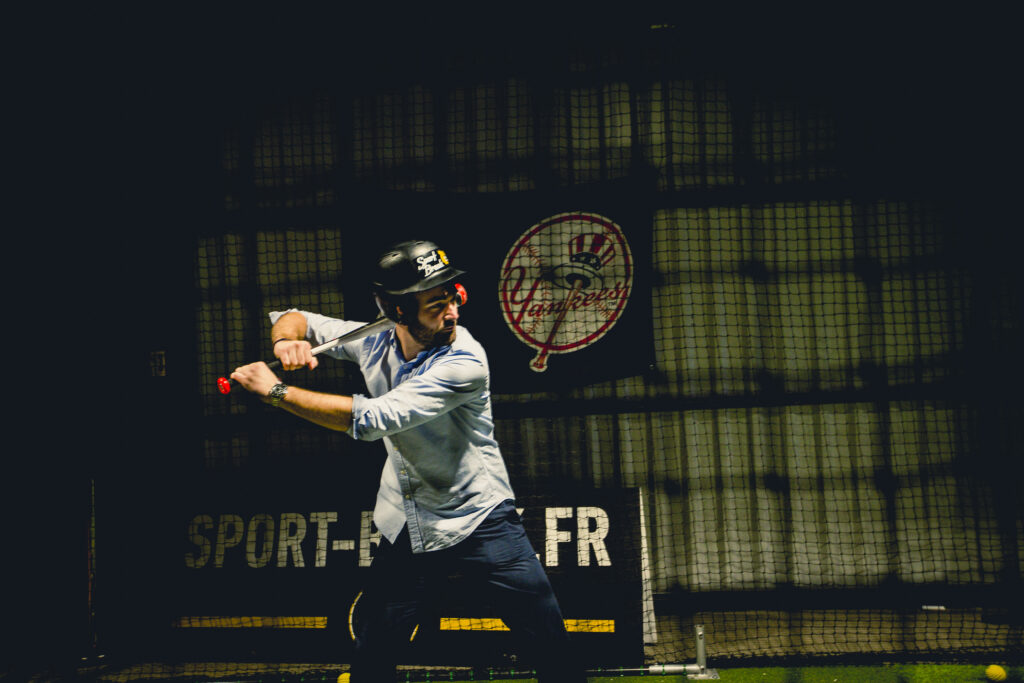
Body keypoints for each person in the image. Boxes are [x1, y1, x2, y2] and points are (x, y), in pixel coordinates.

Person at [229, 239, 587, 682]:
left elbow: (371, 419)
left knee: (553, 650)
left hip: (480, 520)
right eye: (436, 305)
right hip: (410, 524)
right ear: (397, 311)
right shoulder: (374, 341)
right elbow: (294, 316)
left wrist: (276, 391)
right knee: (374, 655)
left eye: (452, 299)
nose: (452, 313)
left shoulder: (464, 362)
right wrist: (288, 341)